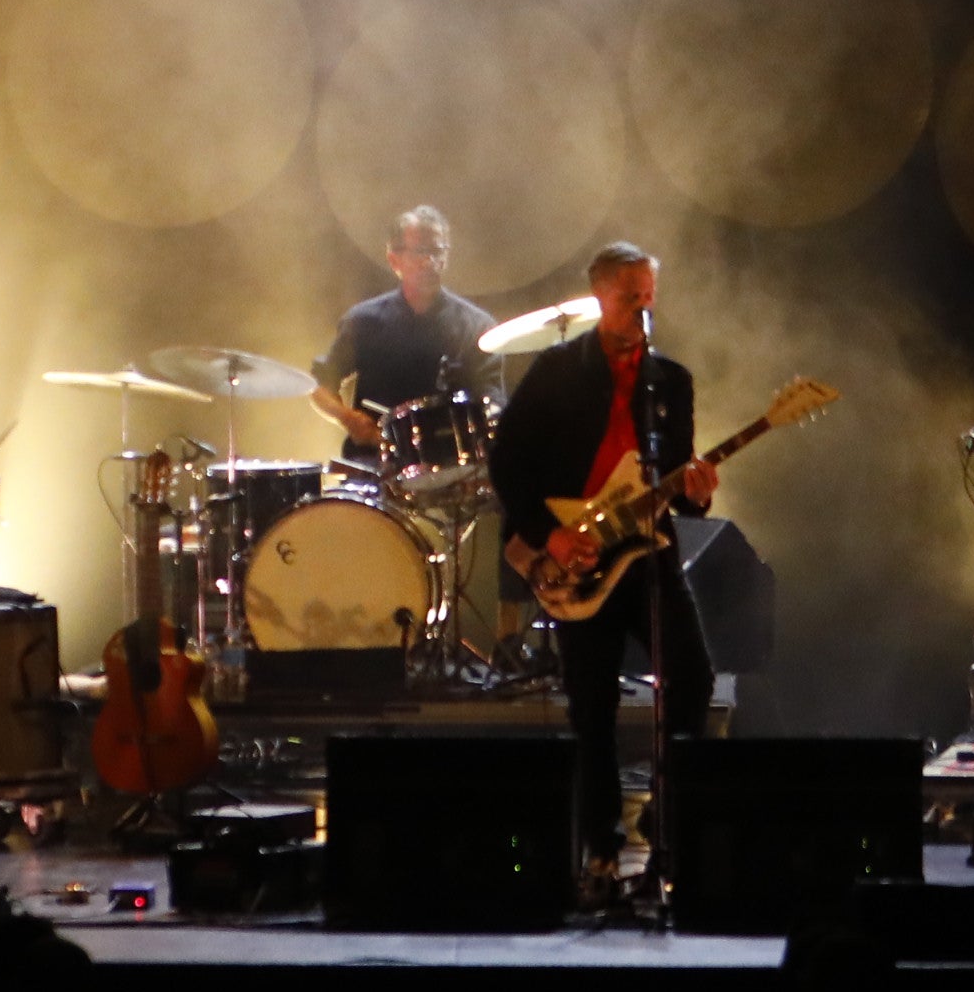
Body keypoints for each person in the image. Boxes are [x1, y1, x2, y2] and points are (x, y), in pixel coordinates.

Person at [490, 243, 720, 885]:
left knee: (693, 678)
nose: (643, 308)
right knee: (590, 706)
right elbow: (507, 464)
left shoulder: (669, 380)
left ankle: (668, 825)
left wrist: (696, 491)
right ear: (598, 297)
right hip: (578, 551)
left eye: (649, 295)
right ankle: (600, 843)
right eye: (629, 297)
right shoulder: (556, 371)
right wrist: (548, 536)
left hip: (647, 552)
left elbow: (676, 472)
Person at [308, 204, 496, 456]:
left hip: (452, 464)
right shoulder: (364, 320)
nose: (429, 261)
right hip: (375, 464)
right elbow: (320, 385)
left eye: (437, 251)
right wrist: (348, 418)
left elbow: (492, 402)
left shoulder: (476, 327)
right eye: (420, 252)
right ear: (393, 259)